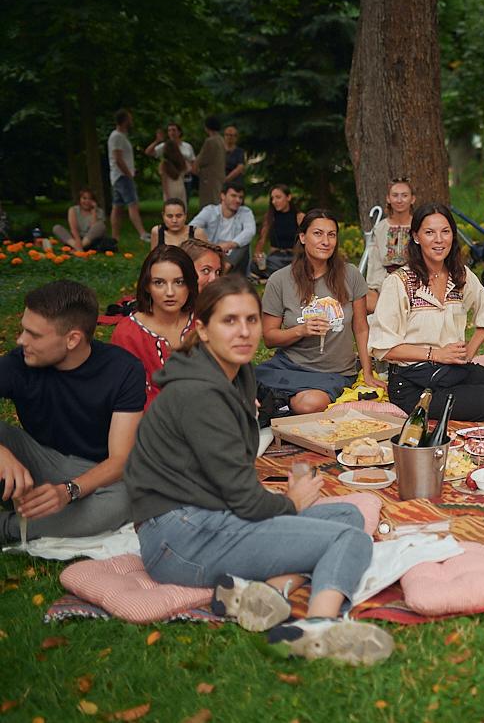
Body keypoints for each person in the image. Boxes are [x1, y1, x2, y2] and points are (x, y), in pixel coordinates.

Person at [123, 275, 393, 664]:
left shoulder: (234, 374)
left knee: (347, 514)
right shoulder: (200, 392)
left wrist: (285, 505)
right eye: (229, 321)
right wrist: (291, 505)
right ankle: (317, 630)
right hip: (180, 537)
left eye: (251, 320)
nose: (244, 331)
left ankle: (273, 593)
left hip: (208, 517)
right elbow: (242, 497)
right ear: (202, 329)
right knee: (349, 540)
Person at [0, 281, 144, 543]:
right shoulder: (19, 362)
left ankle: (9, 527)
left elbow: (120, 460)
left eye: (34, 335)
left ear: (72, 339)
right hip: (34, 460)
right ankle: (38, 511)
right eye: (24, 330)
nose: (22, 340)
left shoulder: (123, 370)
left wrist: (68, 491)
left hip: (96, 476)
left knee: (126, 499)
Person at [370, 203, 484, 421]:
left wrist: (468, 353)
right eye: (429, 232)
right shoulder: (399, 282)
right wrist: (435, 354)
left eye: (445, 231)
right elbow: (383, 348)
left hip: (453, 371)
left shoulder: (460, 275)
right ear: (416, 237)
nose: (439, 239)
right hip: (413, 386)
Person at [257, 210, 383, 415]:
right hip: (289, 366)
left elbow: (360, 328)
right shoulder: (279, 280)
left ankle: (278, 401)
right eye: (318, 233)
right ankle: (278, 401)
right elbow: (270, 337)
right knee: (237, 382)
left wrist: (367, 373)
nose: (326, 241)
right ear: (302, 237)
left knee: (308, 404)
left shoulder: (350, 275)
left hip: (334, 372)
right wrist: (301, 330)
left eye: (331, 235)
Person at [111, 246, 198, 408]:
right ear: (146, 286)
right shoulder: (128, 333)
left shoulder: (204, 321)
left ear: (190, 284)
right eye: (159, 283)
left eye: (179, 282)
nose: (170, 292)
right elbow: (124, 396)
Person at [364, 178, 414, 313]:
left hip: (414, 282)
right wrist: (375, 288)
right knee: (364, 301)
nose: (399, 200)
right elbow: (374, 263)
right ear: (388, 198)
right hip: (386, 283)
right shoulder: (380, 228)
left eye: (404, 195)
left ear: (412, 199)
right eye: (395, 195)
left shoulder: (419, 227)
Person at [190, 185, 255, 275]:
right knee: (196, 234)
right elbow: (192, 227)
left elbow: (250, 231)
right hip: (212, 253)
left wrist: (230, 244)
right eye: (233, 196)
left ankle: (223, 271)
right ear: (223, 196)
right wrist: (212, 246)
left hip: (234, 259)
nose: (238, 200)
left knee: (243, 244)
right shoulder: (210, 211)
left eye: (240, 197)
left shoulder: (245, 212)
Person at [107, 108, 150, 243]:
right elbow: (118, 158)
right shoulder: (117, 137)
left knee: (117, 207)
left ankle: (115, 237)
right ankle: (142, 233)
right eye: (129, 119)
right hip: (122, 176)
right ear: (125, 120)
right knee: (132, 204)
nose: (131, 121)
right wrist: (128, 174)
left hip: (118, 176)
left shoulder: (120, 136)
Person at [253, 185, 304, 279]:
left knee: (300, 266)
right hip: (276, 258)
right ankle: (282, 276)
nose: (274, 201)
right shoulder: (270, 217)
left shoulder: (299, 217)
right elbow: (262, 239)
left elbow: (309, 240)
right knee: (254, 266)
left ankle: (275, 276)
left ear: (288, 197)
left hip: (294, 257)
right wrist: (258, 255)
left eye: (278, 197)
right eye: (272, 198)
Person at [52, 188, 107, 252]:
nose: (87, 201)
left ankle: (78, 248)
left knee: (101, 225)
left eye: (90, 199)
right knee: (57, 228)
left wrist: (94, 211)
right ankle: (77, 247)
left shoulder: (99, 212)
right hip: (77, 237)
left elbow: (93, 229)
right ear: (80, 199)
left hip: (91, 240)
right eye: (84, 198)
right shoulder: (73, 210)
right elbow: (73, 228)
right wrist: (78, 241)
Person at [195, 116, 226, 208]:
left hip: (209, 177)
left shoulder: (210, 141)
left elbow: (202, 159)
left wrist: (195, 163)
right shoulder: (221, 140)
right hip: (219, 175)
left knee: (209, 202)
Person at [223, 125, 246, 190]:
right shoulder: (219, 151)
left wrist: (226, 179)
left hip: (235, 182)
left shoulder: (239, 151)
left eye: (231, 135)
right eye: (227, 135)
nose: (229, 137)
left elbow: (240, 167)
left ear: (236, 137)